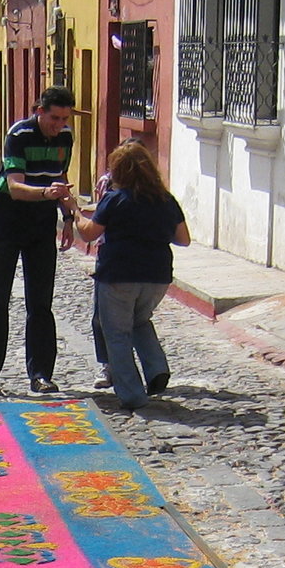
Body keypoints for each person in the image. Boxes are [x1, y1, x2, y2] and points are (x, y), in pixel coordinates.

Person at [0, 85, 78, 397]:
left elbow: (60, 179)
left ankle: (41, 374)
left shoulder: (65, 138)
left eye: (64, 119)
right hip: (7, 220)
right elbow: (16, 187)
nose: (59, 125)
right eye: (54, 118)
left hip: (41, 224)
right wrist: (47, 193)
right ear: (39, 111)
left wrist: (68, 218)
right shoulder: (19, 135)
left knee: (41, 303)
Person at [71, 141, 187, 411]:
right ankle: (156, 368)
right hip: (157, 275)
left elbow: (88, 233)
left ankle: (132, 393)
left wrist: (74, 211)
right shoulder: (165, 200)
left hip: (119, 274)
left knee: (117, 333)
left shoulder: (115, 198)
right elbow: (183, 239)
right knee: (139, 320)